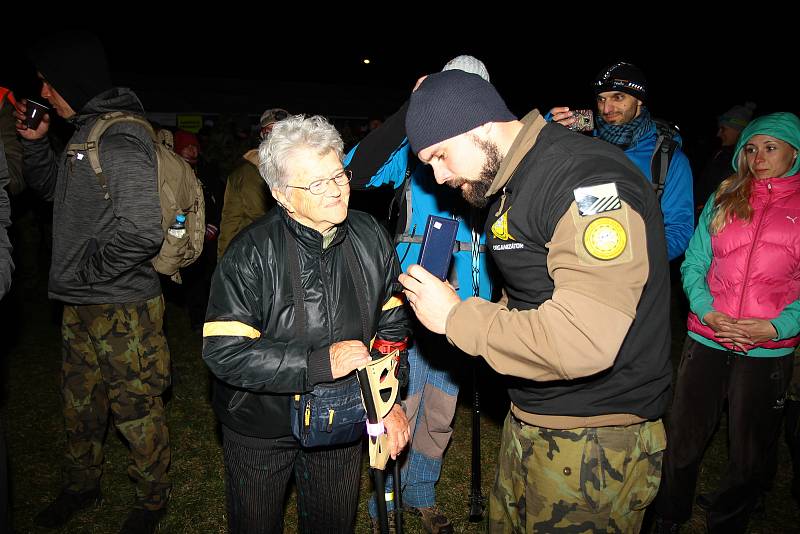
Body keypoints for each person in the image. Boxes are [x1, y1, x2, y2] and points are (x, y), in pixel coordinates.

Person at [399, 70, 671, 533]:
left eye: (441, 156)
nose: (439, 177)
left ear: (480, 124)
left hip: (595, 434)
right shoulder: (511, 183)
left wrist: (456, 317)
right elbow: (531, 298)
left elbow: (583, 339)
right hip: (534, 414)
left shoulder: (587, 183)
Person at [202, 114, 411, 533]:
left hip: (342, 420)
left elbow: (391, 328)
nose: (336, 191)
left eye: (339, 175)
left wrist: (386, 401)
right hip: (261, 426)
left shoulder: (371, 236)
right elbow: (224, 352)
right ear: (282, 194)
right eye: (316, 184)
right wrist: (317, 364)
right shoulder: (251, 253)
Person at [14, 32, 171, 534]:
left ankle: (151, 500)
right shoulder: (85, 133)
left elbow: (143, 229)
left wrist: (87, 271)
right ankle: (83, 484)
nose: (42, 89)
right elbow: (49, 194)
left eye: (47, 81)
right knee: (80, 402)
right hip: (81, 304)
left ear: (70, 82)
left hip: (121, 304)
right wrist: (35, 146)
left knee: (135, 405)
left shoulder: (118, 138)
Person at [346, 54, 493, 534]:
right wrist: (410, 111)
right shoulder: (415, 153)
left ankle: (422, 492)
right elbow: (356, 170)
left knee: (440, 410)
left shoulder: (493, 158)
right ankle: (383, 499)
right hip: (407, 304)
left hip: (466, 308)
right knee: (398, 403)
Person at [653, 112, 800, 534]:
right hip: (708, 336)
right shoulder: (726, 197)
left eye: (770, 148)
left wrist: (777, 327)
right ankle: (669, 514)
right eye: (750, 149)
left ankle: (729, 519)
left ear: (794, 151)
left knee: (749, 450)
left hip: (767, 348)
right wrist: (707, 310)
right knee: (683, 434)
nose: (758, 158)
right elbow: (695, 262)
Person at [549, 61, 694, 261]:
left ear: (639, 100)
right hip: (577, 266)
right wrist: (547, 131)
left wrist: (632, 261)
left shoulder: (668, 159)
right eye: (601, 99)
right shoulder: (583, 143)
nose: (607, 108)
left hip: (636, 278)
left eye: (618, 97)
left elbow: (679, 229)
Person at [216, 108, 286, 258]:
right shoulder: (248, 173)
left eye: (284, 131)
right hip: (259, 256)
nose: (278, 137)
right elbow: (231, 222)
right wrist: (224, 265)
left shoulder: (304, 168)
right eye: (271, 131)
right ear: (263, 135)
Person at [172, 129, 221, 331]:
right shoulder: (172, 172)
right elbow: (173, 208)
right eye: (186, 146)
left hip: (207, 237)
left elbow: (218, 200)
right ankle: (195, 319)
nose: (191, 151)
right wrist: (177, 231)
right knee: (189, 278)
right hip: (183, 235)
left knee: (207, 276)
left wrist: (214, 224)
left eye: (194, 146)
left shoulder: (207, 171)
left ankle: (209, 318)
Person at [694, 102, 756, 216]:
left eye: (723, 129)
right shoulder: (720, 153)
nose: (718, 134)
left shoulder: (746, 161)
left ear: (738, 131)